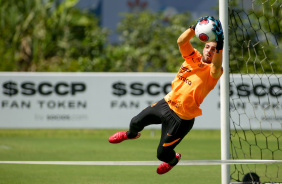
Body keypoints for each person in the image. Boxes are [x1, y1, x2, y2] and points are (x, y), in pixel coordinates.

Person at [108, 16, 224, 175]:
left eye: (213, 49)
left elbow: (217, 64)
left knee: (161, 154)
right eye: (208, 47)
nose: (210, 51)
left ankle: (173, 160)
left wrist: (220, 42)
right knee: (135, 122)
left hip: (181, 119)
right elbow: (181, 42)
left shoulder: (213, 72)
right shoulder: (192, 57)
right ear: (203, 47)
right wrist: (194, 26)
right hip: (166, 104)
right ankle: (131, 135)